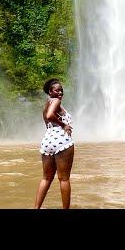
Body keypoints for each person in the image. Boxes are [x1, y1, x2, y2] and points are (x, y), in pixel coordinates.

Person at [34, 78, 74, 209]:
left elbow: (48, 119)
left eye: (61, 90)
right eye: (57, 90)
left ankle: (36, 208)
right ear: (50, 92)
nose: (60, 92)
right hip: (61, 140)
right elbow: (51, 115)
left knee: (46, 178)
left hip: (47, 141)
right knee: (64, 179)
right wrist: (64, 125)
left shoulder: (46, 104)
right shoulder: (56, 101)